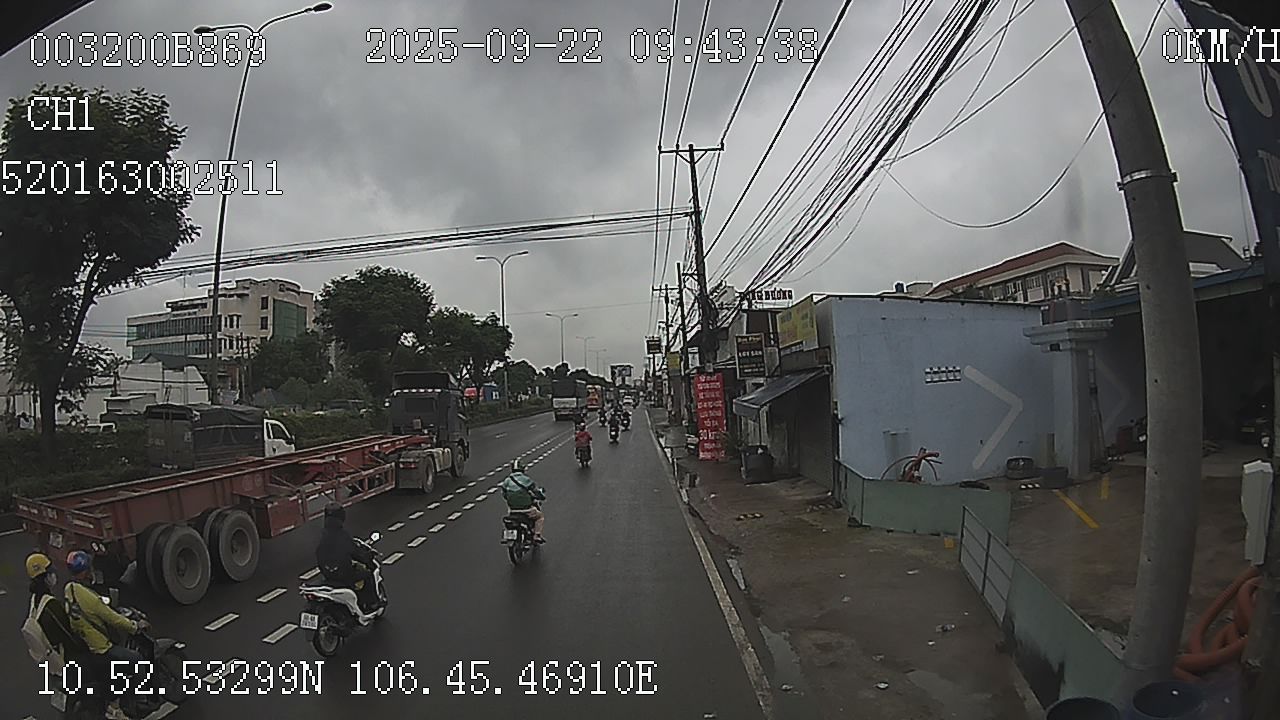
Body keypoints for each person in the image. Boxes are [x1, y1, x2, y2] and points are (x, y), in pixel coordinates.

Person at [24, 553, 89, 674]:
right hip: (66, 658)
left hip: (52, 656)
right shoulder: (50, 605)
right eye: (50, 572)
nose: (54, 575)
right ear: (45, 577)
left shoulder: (35, 600)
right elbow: (68, 634)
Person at [316, 502, 381, 612]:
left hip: (327, 573)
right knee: (367, 575)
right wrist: (367, 556)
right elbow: (356, 553)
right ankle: (372, 603)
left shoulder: (323, 534)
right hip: (343, 573)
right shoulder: (342, 535)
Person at [501, 459, 545, 543]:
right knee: (540, 517)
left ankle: (509, 536)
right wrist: (541, 496)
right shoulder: (526, 480)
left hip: (512, 510)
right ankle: (537, 535)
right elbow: (536, 492)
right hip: (526, 510)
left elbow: (504, 494)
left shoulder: (507, 481)